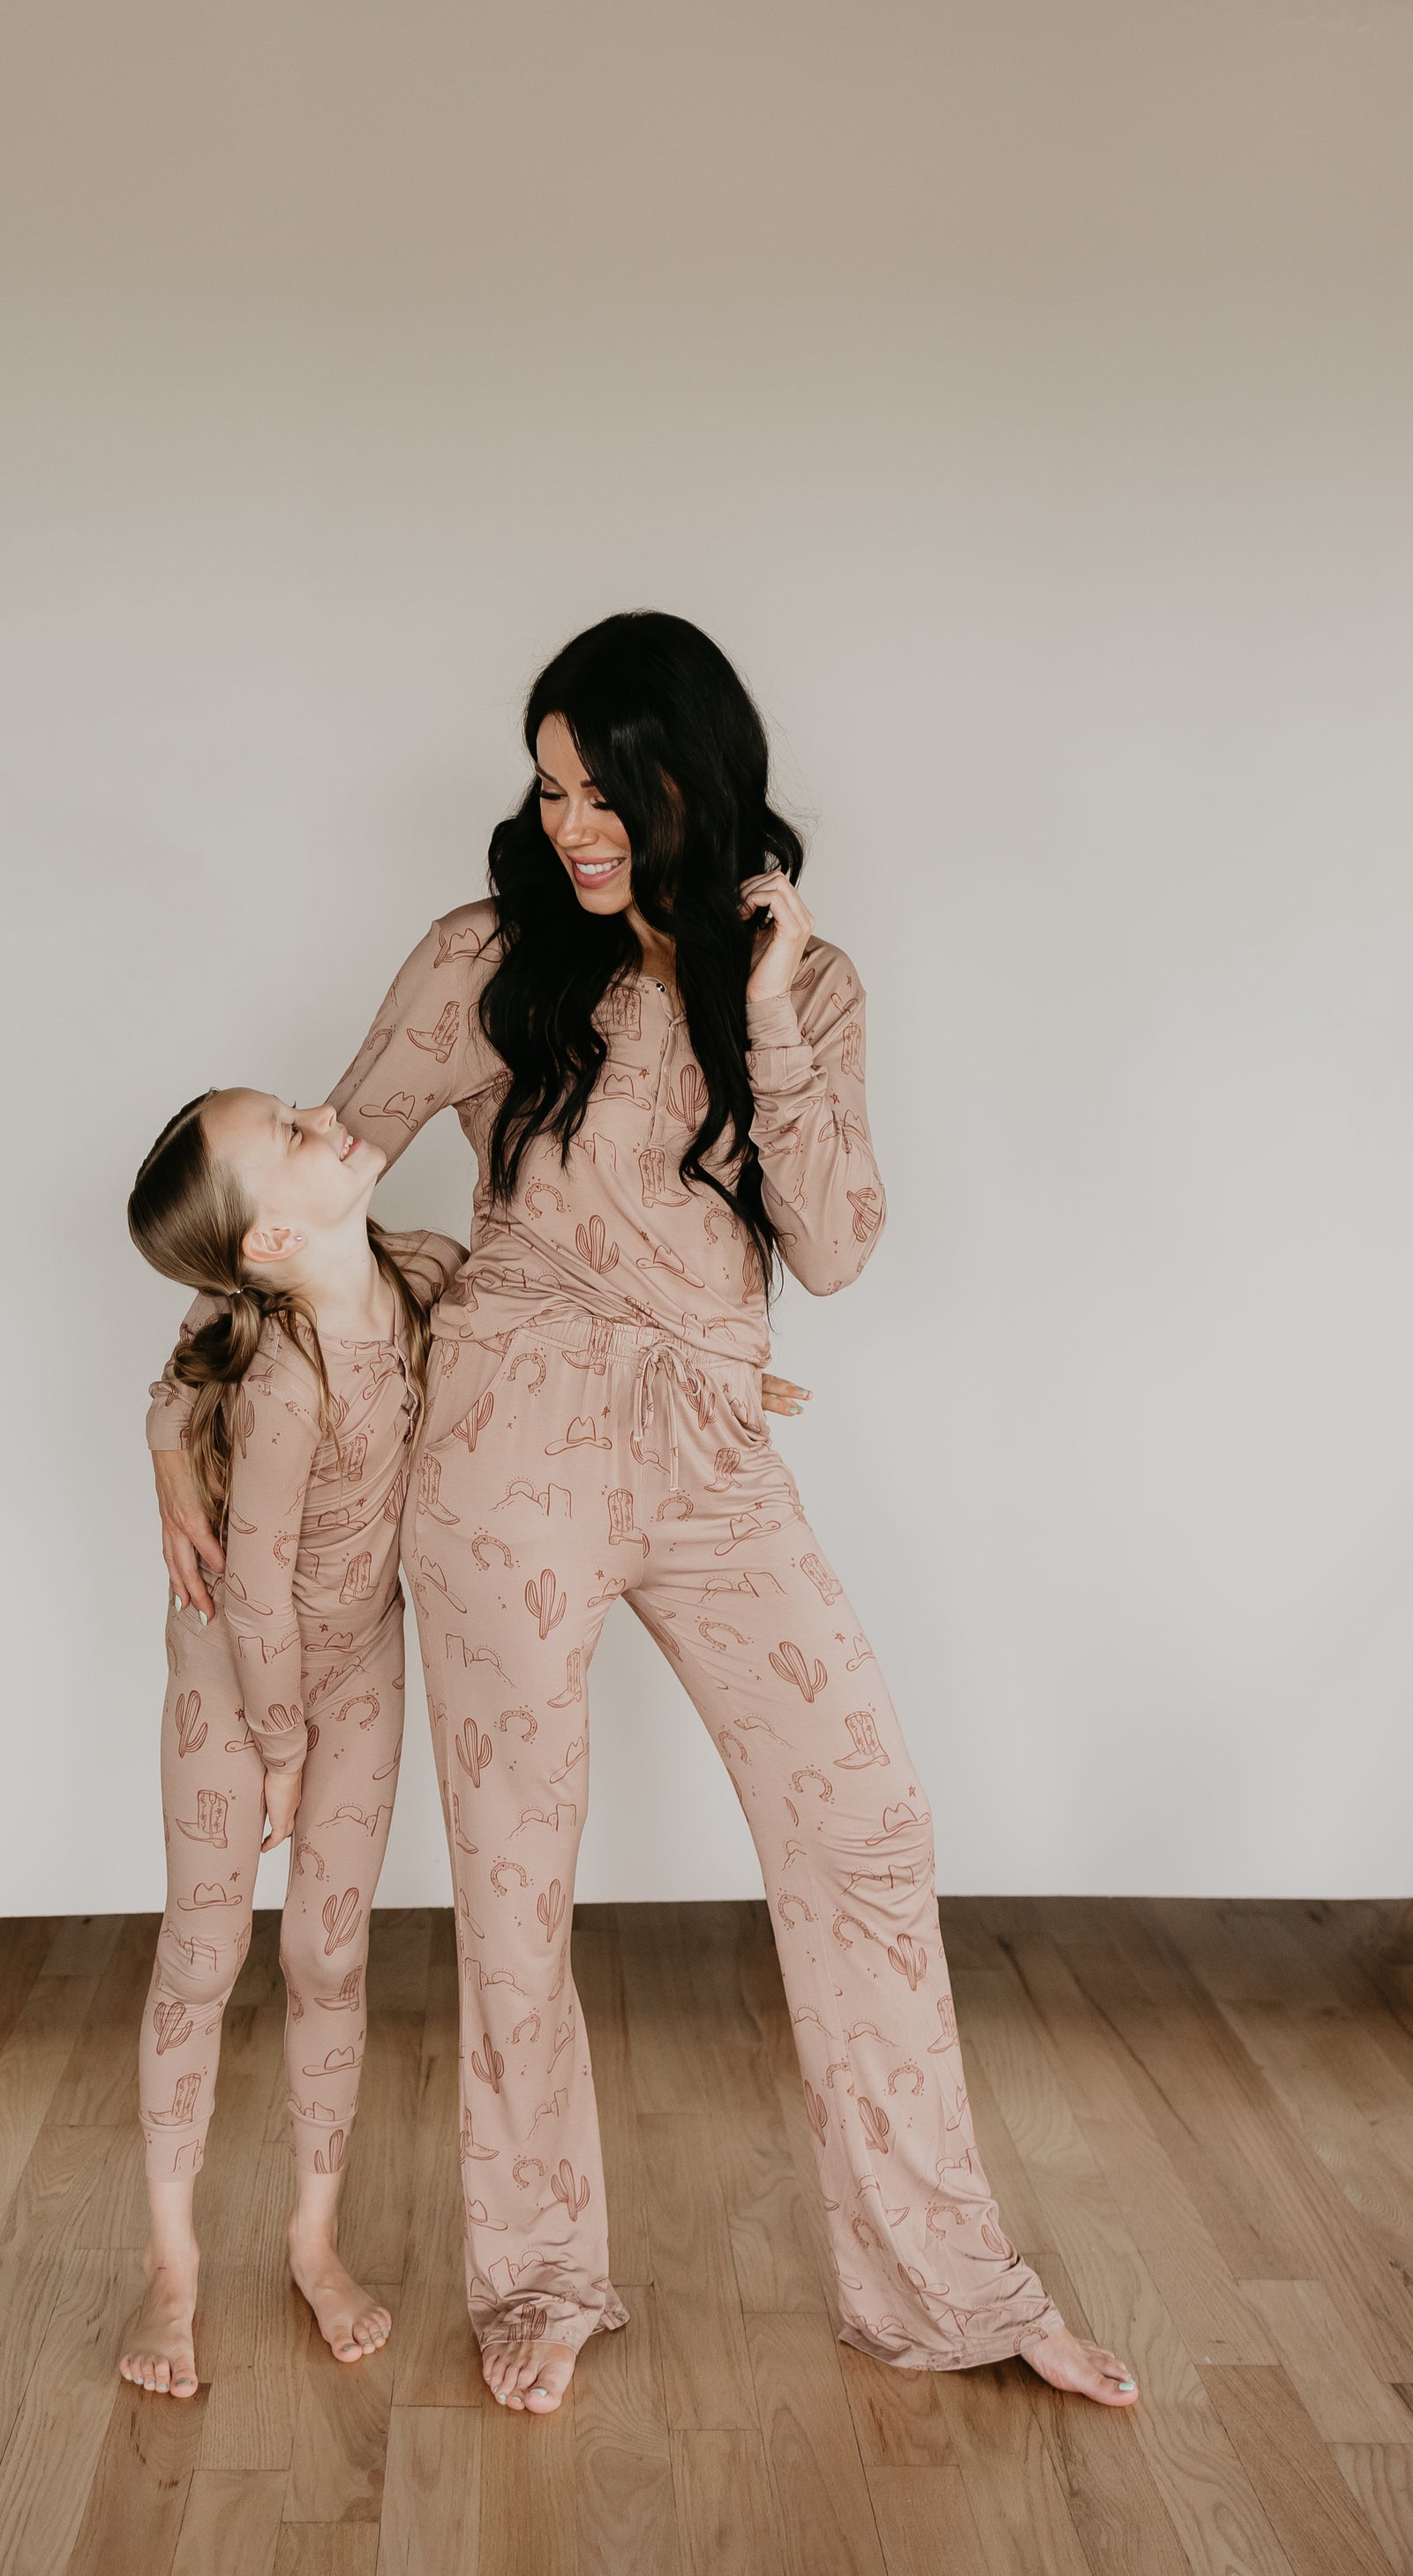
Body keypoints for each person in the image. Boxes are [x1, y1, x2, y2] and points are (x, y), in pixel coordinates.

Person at [154, 612, 1137, 2418]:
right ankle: (538, 2273)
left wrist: (757, 1011)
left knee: (863, 1823)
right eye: (549, 787)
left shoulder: (810, 988)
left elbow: (833, 1250)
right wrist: (173, 1429)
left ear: (701, 772)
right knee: (520, 1880)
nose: (575, 822)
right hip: (504, 1441)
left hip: (704, 1448)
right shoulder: (486, 953)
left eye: (605, 785)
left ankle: (945, 2282)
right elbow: (301, 1209)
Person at [120, 1084, 462, 2393]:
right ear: (266, 1242)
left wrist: (691, 1367)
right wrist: (275, 1748)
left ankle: (312, 2239)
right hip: (235, 1683)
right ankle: (172, 2266)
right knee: (203, 1959)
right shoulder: (280, 1381)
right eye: (292, 1133)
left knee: (328, 1952)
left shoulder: (418, 1272)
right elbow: (252, 1589)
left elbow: (552, 1327)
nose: (327, 1112)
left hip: (359, 1661)